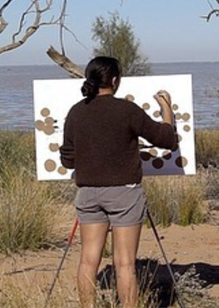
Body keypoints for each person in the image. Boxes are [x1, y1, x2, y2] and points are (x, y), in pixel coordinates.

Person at [60, 56, 177, 308]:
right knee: (125, 263)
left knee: (87, 262)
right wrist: (166, 107)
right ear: (115, 81)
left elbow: (67, 160)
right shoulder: (126, 110)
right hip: (124, 194)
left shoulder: (76, 112)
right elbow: (167, 139)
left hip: (88, 194)